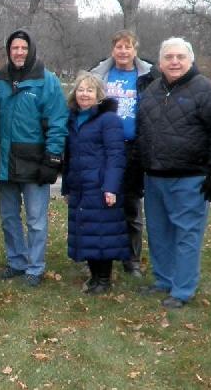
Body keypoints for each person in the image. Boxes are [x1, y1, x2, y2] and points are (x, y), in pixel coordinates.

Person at [137, 37, 211, 309]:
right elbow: (142, 130)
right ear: (160, 62)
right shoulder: (152, 90)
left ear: (190, 60)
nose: (174, 62)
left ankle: (182, 290)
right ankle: (163, 280)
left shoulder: (205, 90)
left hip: (190, 177)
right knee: (158, 233)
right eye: (169, 57)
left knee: (187, 235)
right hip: (154, 176)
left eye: (180, 57)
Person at [0, 29, 68, 287]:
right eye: (15, 48)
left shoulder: (47, 81)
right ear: (8, 51)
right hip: (5, 161)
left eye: (23, 48)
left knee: (36, 220)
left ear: (31, 50)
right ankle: (17, 261)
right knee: (9, 218)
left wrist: (53, 158)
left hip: (35, 161)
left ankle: (35, 267)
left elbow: (58, 122)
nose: (19, 52)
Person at [90, 30, 158, 278]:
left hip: (133, 147)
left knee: (131, 205)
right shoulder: (100, 75)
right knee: (103, 202)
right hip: (105, 147)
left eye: (128, 47)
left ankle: (132, 259)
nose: (123, 51)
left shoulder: (147, 77)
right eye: (119, 47)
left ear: (135, 50)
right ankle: (102, 254)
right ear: (113, 50)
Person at [62, 72, 128, 295]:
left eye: (89, 90)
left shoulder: (108, 120)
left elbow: (116, 155)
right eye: (80, 90)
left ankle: (104, 279)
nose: (84, 94)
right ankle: (94, 276)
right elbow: (69, 156)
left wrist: (111, 187)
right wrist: (67, 187)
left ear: (99, 94)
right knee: (86, 233)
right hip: (80, 186)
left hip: (100, 186)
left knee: (102, 234)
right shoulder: (72, 119)